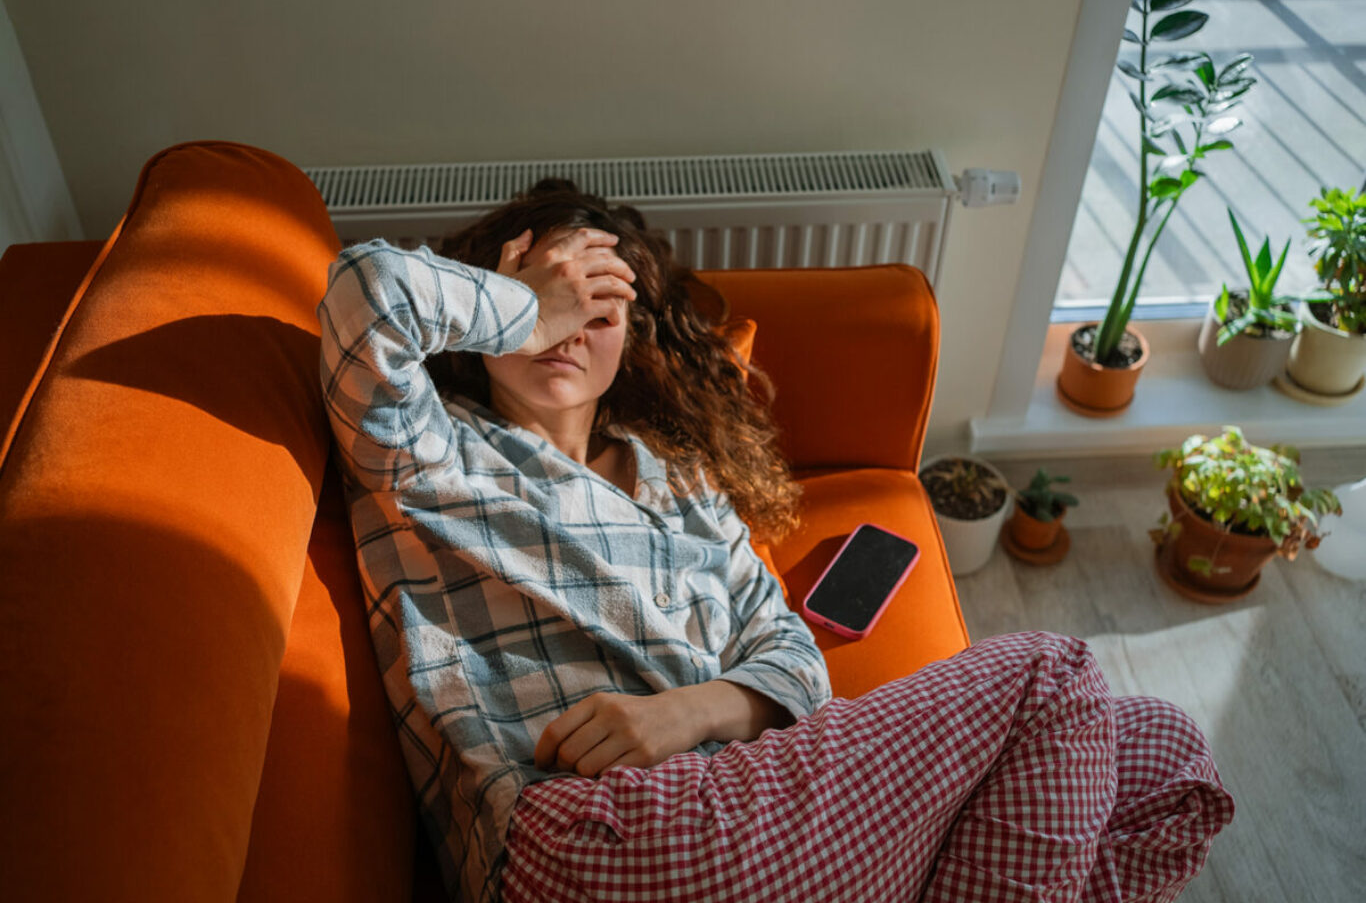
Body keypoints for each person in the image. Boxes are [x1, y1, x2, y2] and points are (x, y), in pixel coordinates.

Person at [317, 180, 1234, 903]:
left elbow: (790, 648)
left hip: (745, 813)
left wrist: (701, 708)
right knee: (1054, 677)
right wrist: (528, 305)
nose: (568, 330)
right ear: (493, 309)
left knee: (1162, 750)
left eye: (599, 311)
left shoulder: (673, 478)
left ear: (629, 342)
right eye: (550, 297)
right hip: (589, 841)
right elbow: (363, 296)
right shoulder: (429, 448)